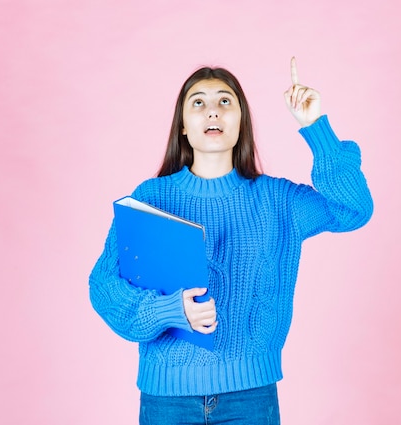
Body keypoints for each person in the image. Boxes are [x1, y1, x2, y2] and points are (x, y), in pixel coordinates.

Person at [89, 57, 373, 424]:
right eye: (198, 102)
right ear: (184, 128)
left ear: (242, 123)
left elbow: (353, 209)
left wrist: (315, 127)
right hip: (167, 402)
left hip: (251, 399)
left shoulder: (278, 201)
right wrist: (170, 311)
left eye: (226, 101)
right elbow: (103, 286)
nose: (213, 112)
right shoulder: (150, 198)